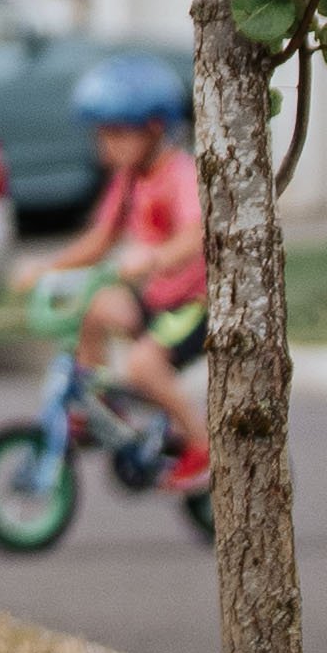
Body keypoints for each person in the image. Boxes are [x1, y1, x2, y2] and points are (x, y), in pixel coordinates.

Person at [48, 47, 211, 495]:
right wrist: (48, 268)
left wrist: (154, 258)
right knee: (96, 307)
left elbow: (196, 234)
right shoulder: (128, 180)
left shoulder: (178, 174)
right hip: (154, 298)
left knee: (142, 366)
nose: (107, 146)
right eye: (102, 134)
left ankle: (202, 444)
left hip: (191, 305)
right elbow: (100, 239)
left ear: (155, 128)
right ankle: (102, 408)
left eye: (118, 133)